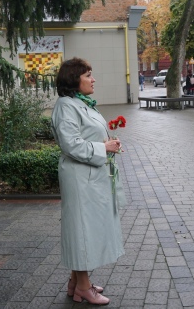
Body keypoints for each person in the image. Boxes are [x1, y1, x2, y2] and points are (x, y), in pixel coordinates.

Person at [50, 57, 125, 305]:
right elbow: (70, 144)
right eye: (88, 75)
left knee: (84, 228)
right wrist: (104, 147)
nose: (94, 79)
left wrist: (108, 144)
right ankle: (83, 287)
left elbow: (86, 136)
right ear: (74, 80)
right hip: (79, 178)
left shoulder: (82, 103)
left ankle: (76, 282)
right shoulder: (66, 106)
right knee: (82, 230)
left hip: (89, 177)